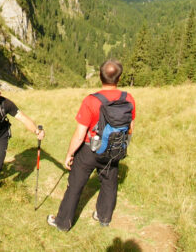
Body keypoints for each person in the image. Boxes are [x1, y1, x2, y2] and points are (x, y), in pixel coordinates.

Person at [47, 60, 135, 231]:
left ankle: (63, 223)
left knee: (76, 185)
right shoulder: (128, 98)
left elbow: (80, 135)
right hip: (114, 148)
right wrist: (121, 146)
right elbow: (130, 128)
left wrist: (69, 154)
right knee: (109, 182)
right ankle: (103, 217)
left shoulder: (91, 100)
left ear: (100, 77)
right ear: (119, 77)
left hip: (90, 149)